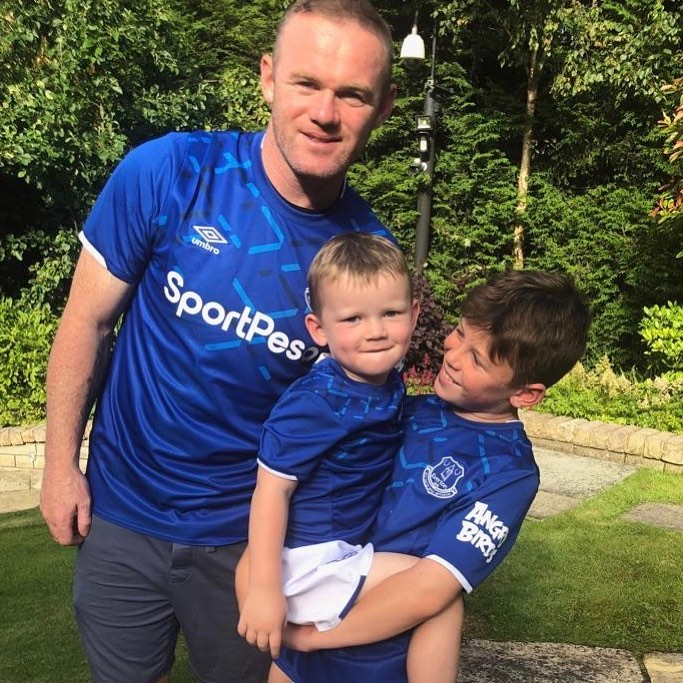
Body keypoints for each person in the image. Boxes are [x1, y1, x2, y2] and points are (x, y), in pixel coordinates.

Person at [39, 1, 397, 682]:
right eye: (306, 83)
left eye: (351, 94)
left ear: (382, 108)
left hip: (251, 549)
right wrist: (61, 466)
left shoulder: (368, 260)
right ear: (267, 78)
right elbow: (85, 321)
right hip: (121, 516)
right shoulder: (170, 171)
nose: (325, 112)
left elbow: (356, 431)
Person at [274, 269, 592, 683]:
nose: (454, 355)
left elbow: (430, 590)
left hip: (380, 661)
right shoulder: (403, 408)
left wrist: (311, 638)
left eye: (477, 359)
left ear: (525, 393)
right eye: (459, 333)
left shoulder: (508, 475)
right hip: (303, 629)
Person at [237, 232, 420, 662]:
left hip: (341, 550)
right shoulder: (315, 402)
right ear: (318, 329)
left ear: (413, 315)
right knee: (436, 587)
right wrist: (264, 590)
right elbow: (270, 492)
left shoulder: (386, 382)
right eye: (352, 319)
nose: (375, 331)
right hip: (309, 563)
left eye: (390, 313)